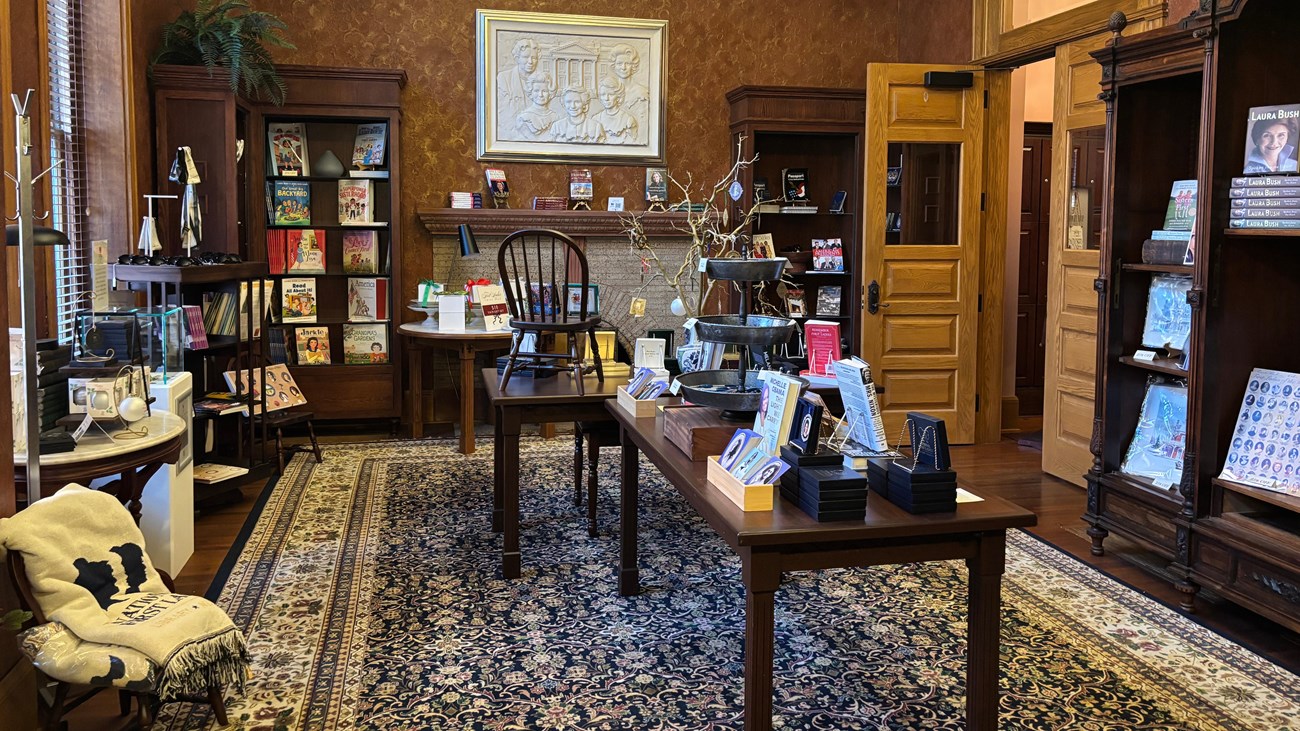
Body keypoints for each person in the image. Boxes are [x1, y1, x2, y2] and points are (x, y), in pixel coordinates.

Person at [496, 38, 539, 121]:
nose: (530, 61)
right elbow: (501, 112)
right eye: (525, 57)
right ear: (517, 58)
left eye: (534, 58)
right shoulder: (504, 78)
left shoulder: (542, 80)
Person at [609, 43, 650, 121]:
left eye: (627, 63)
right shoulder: (609, 92)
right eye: (619, 63)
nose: (623, 68)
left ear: (633, 66)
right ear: (614, 66)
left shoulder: (641, 92)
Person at [514, 72, 557, 141]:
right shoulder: (524, 118)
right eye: (536, 91)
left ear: (550, 93)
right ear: (530, 92)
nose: (540, 95)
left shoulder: (555, 117)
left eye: (544, 91)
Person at [595, 77, 638, 144]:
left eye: (611, 94)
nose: (606, 98)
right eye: (603, 94)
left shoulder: (628, 120)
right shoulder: (596, 119)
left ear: (618, 97)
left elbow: (633, 143)